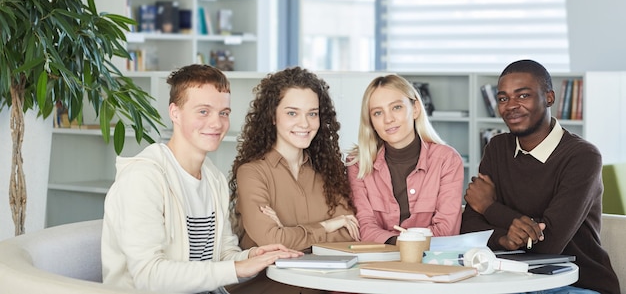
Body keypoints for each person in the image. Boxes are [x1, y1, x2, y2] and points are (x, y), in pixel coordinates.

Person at [101, 64, 301, 294]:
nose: (217, 123)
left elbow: (224, 255)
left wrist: (252, 256)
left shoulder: (213, 177)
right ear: (175, 113)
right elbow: (149, 277)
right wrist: (237, 268)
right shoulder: (143, 179)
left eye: (223, 113)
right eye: (203, 111)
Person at [461, 59, 620, 294]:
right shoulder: (497, 148)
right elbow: (470, 227)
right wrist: (505, 239)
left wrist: (489, 207)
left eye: (523, 95)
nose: (511, 105)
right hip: (508, 280)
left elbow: (550, 244)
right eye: (503, 98)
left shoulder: (582, 156)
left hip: (576, 284)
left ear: (549, 98)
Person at [227, 66, 359, 294]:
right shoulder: (252, 173)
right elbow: (272, 239)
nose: (305, 124)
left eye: (312, 113)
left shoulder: (330, 171)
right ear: (273, 117)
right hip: (268, 286)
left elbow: (349, 234)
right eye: (292, 113)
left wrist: (289, 234)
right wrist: (326, 226)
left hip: (323, 283)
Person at [346, 74, 465, 244]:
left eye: (396, 107)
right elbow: (364, 227)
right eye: (378, 113)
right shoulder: (358, 163)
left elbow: (446, 230)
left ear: (415, 109)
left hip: (430, 260)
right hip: (378, 260)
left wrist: (399, 242)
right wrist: (403, 242)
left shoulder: (447, 160)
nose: (388, 119)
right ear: (371, 122)